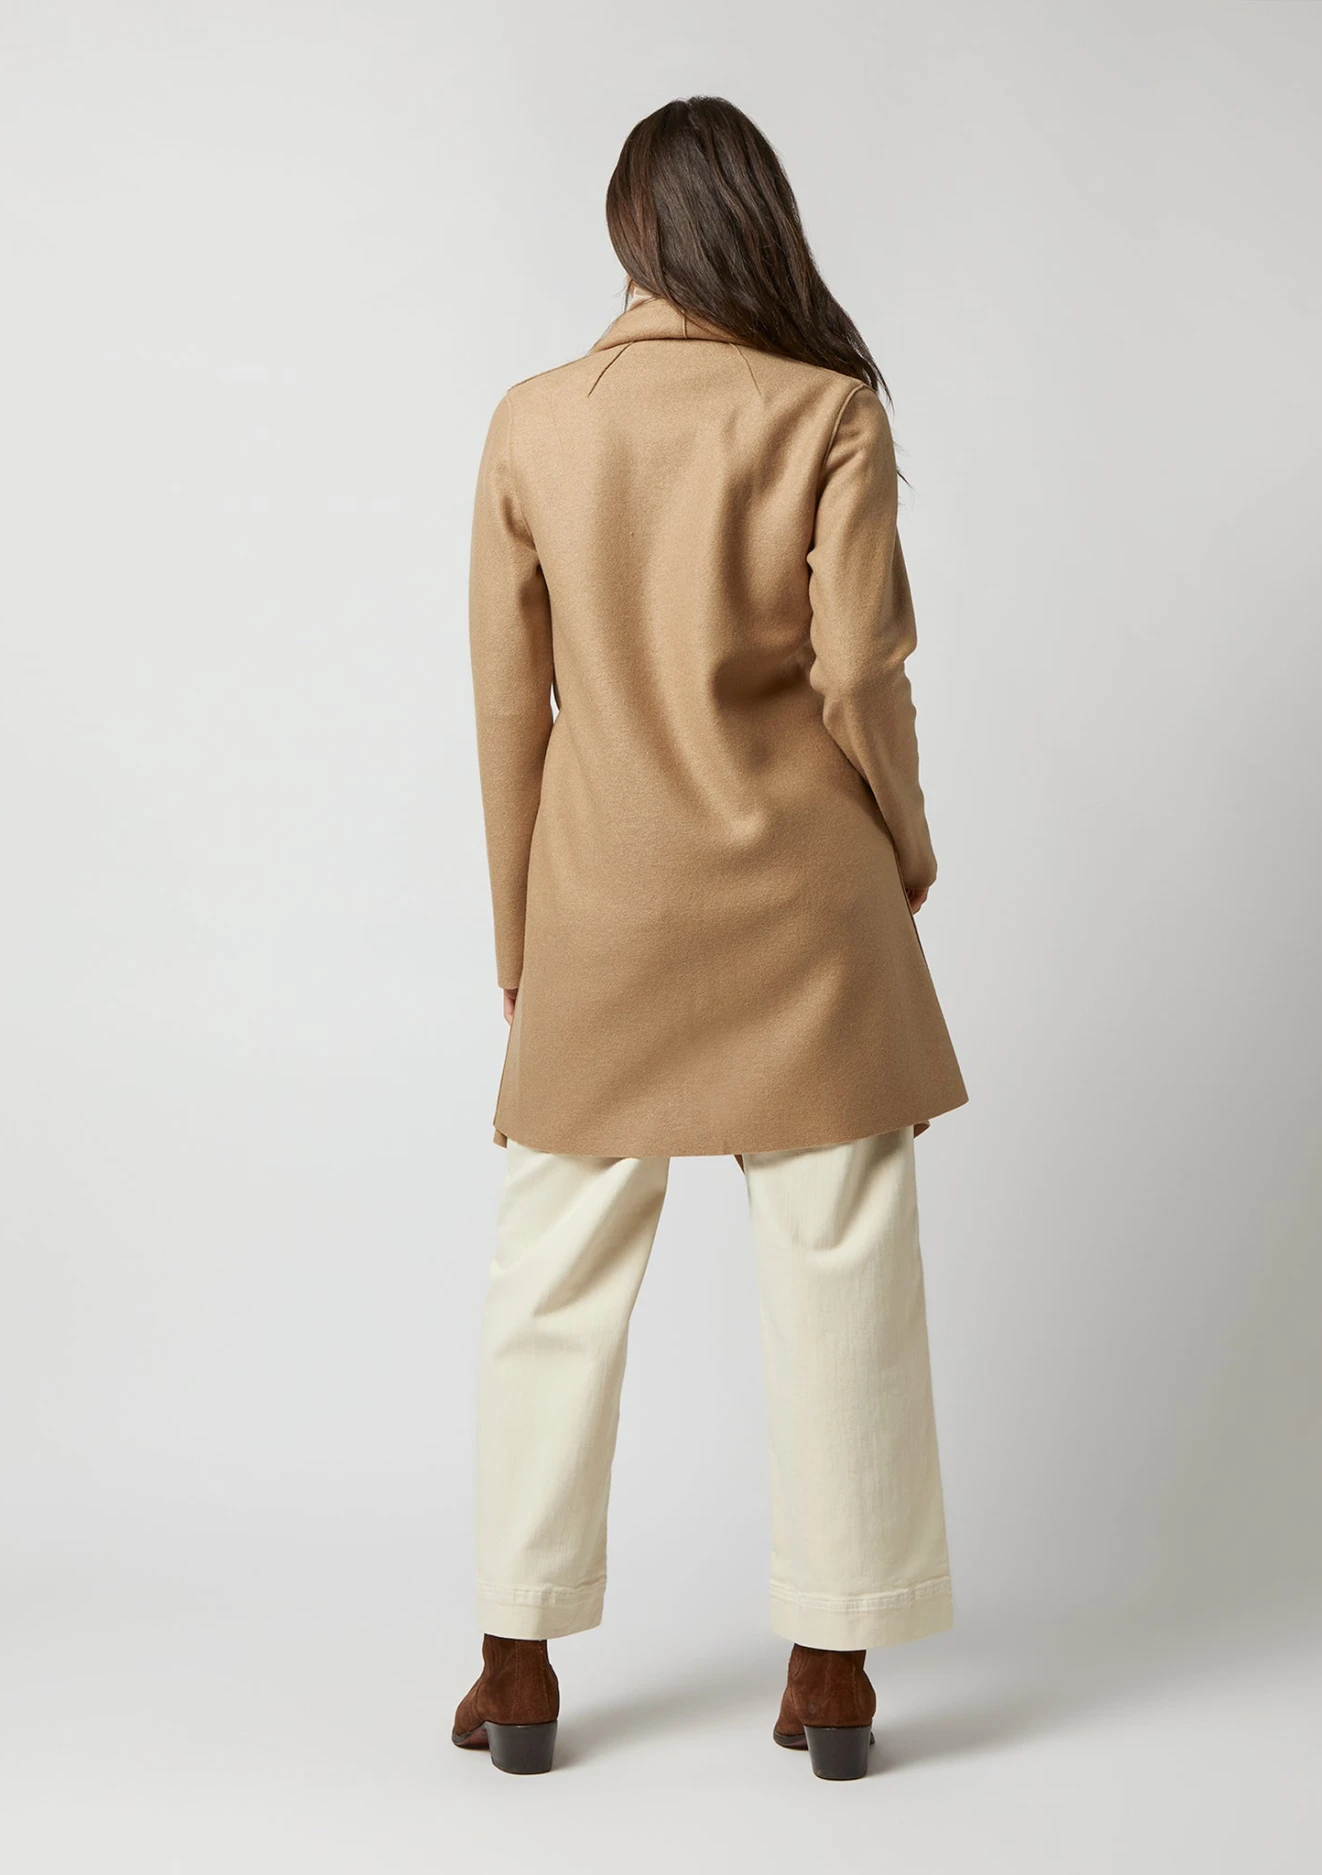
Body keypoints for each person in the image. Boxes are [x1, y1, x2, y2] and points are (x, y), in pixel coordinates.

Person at [451, 95, 967, 1781]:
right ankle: (836, 1665)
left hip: (602, 902)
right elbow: (860, 673)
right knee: (839, 1260)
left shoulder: (534, 422)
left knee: (552, 1271)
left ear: (631, 234)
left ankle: (516, 1657)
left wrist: (520, 931)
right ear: (761, 223)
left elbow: (509, 710)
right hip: (807, 902)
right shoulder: (828, 410)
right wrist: (905, 845)